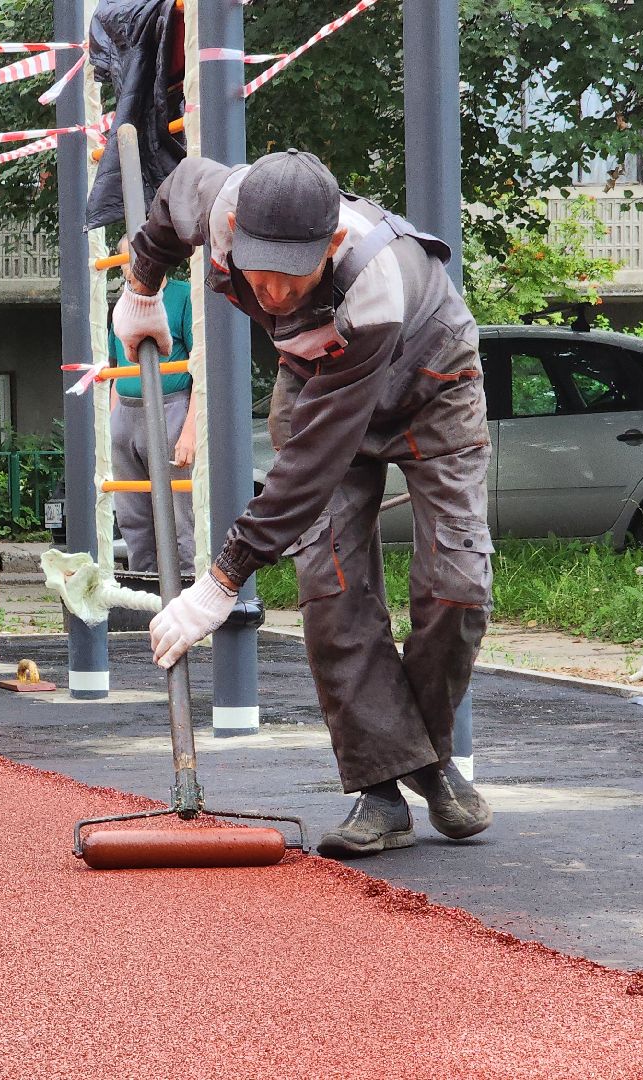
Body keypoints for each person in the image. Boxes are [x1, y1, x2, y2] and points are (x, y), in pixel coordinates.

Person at [113, 148, 493, 858]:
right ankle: (385, 792)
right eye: (260, 271)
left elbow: (313, 468)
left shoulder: (373, 283)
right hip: (317, 377)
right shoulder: (222, 204)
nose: (273, 292)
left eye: (293, 275)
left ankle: (424, 759)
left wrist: (222, 578)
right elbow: (167, 206)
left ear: (334, 245)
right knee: (333, 585)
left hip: (434, 384)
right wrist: (141, 289)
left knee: (458, 586)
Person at [106, 274, 197, 576]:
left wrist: (190, 431)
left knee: (179, 513)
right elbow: (115, 367)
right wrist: (111, 425)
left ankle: (186, 584)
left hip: (171, 407)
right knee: (132, 512)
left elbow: (203, 367)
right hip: (126, 410)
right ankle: (144, 586)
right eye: (125, 262)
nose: (131, 269)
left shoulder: (183, 297)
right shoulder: (122, 304)